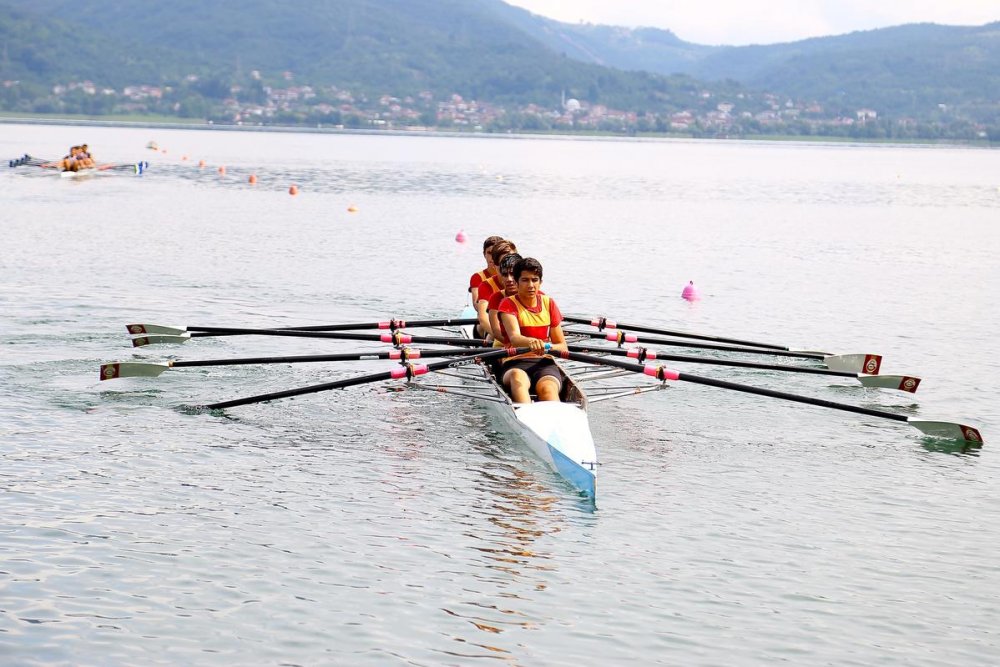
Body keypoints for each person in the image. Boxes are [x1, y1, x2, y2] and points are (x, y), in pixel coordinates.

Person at [496, 257, 567, 403]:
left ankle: (556, 418)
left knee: (547, 388)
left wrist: (545, 346)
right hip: (514, 361)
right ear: (516, 282)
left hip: (544, 363)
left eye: (535, 280)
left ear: (540, 282)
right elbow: (515, 338)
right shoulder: (508, 304)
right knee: (518, 377)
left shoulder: (549, 303)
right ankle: (525, 417)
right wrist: (532, 342)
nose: (531, 285)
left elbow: (562, 345)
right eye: (525, 280)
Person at [473, 239, 516, 339]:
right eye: (504, 262)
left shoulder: (526, 282)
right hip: (492, 330)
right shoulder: (486, 285)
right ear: (495, 265)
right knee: (490, 336)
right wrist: (507, 340)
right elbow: (483, 318)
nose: (508, 264)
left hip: (515, 331)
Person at [488, 252, 522, 347]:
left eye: (512, 274)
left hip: (533, 346)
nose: (509, 279)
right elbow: (497, 332)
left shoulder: (539, 296)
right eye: (505, 275)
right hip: (503, 344)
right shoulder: (496, 298)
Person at [468, 235, 504, 310]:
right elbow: (476, 304)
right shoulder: (477, 277)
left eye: (496, 253)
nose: (493, 257)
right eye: (489, 253)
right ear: (484, 254)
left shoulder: (512, 276)